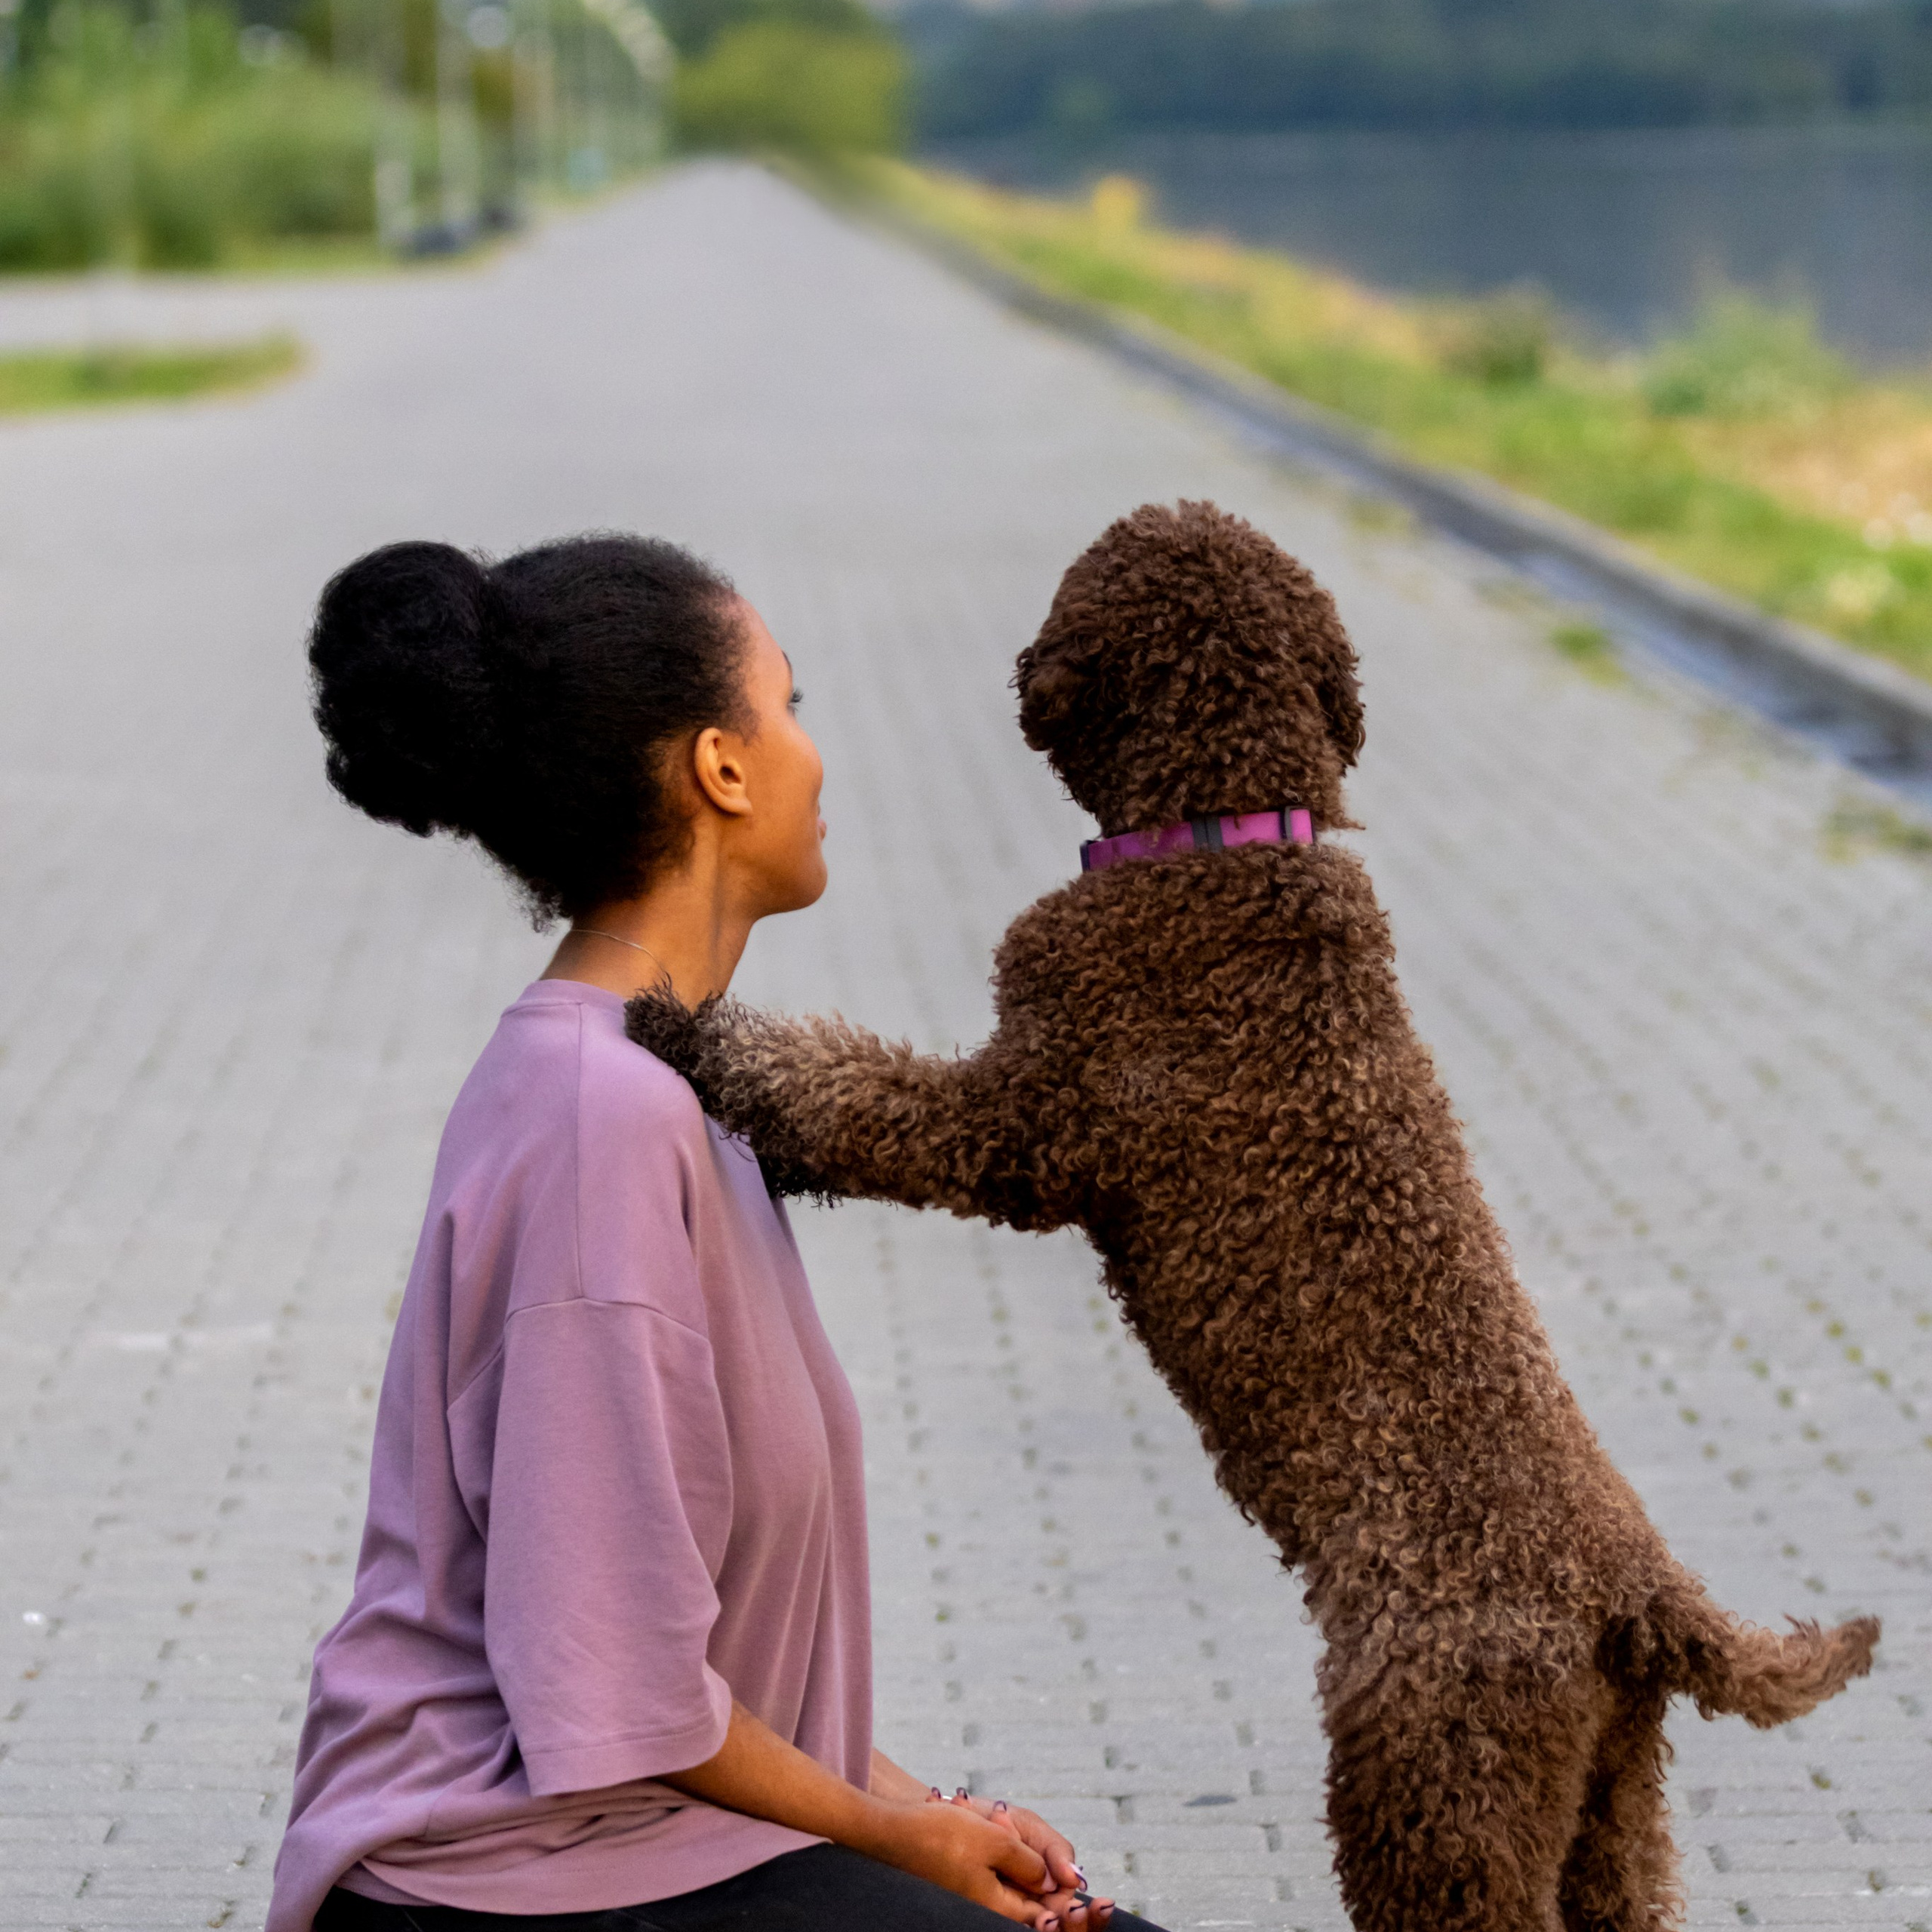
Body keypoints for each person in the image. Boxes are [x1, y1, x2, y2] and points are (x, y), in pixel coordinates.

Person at [268, 534, 1158, 1932]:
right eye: (790, 707)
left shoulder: (666, 1080)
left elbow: (691, 1659)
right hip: (513, 1880)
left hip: (651, 1832)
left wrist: (928, 1812)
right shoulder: (598, 1118)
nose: (816, 754)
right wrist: (895, 1840)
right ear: (720, 769)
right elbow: (616, 1677)